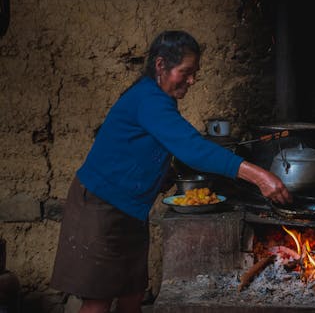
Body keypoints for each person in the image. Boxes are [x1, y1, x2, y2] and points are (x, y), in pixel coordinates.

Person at [50, 30, 292, 313]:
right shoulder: (148, 99)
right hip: (100, 207)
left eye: (195, 73)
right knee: (98, 302)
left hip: (130, 210)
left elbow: (151, 145)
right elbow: (193, 148)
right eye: (186, 72)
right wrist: (260, 175)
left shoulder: (159, 99)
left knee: (131, 294)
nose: (192, 80)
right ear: (161, 65)